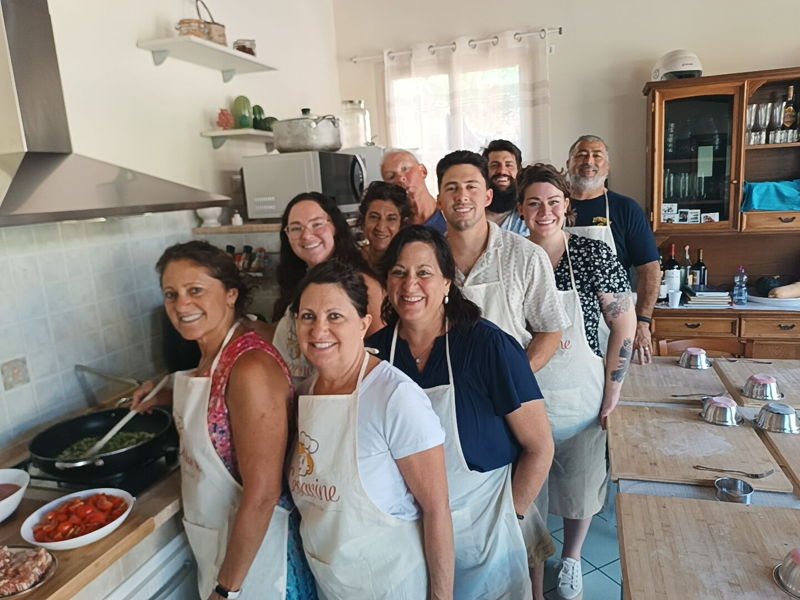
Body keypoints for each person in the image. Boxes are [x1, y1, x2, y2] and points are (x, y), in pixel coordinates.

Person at [368, 225, 555, 599]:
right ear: (387, 282)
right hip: (404, 534)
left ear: (447, 283)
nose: (410, 285)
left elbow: (540, 447)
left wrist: (509, 519)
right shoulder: (373, 355)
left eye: (424, 273)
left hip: (483, 531)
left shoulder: (488, 347)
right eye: (399, 273)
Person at [132, 241, 317, 600]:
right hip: (221, 542)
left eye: (195, 291)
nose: (181, 305)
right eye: (171, 294)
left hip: (260, 562)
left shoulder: (250, 368)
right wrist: (165, 390)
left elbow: (263, 494)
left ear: (231, 294)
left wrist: (226, 589)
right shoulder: (213, 356)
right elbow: (219, 403)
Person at [288, 260, 454, 600]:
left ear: (364, 324)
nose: (319, 330)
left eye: (335, 316)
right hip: (330, 580)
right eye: (308, 316)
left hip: (390, 584)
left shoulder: (394, 397)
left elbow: (437, 510)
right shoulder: (303, 394)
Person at [518, 164, 636, 600]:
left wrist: (614, 387)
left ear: (567, 207)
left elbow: (622, 323)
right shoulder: (515, 257)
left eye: (553, 201)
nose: (544, 210)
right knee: (528, 498)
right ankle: (531, 574)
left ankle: (570, 560)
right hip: (527, 398)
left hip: (582, 394)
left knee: (581, 487)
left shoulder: (591, 255)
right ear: (521, 210)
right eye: (534, 202)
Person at [435, 150, 570, 373]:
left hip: (509, 393)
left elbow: (550, 330)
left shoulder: (526, 255)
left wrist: (515, 378)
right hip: (446, 386)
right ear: (439, 201)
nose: (462, 196)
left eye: (471, 187)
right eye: (452, 188)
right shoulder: (429, 258)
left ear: (488, 197)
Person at [565, 135, 661, 365]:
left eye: (597, 155)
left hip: (612, 323)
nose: (589, 161)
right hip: (561, 320)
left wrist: (643, 321)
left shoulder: (625, 208)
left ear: (608, 166)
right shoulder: (554, 205)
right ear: (568, 163)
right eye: (581, 155)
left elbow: (650, 270)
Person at [272, 192, 384, 382]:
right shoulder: (297, 280)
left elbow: (382, 349)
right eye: (296, 228)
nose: (306, 235)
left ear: (334, 227)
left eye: (317, 224)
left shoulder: (363, 283)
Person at [381, 149, 447, 233]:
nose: (401, 179)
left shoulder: (449, 214)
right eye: (391, 176)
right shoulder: (395, 229)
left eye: (405, 169)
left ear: (423, 171)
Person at [357, 180, 412, 273]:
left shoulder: (411, 262)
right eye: (374, 217)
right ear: (363, 222)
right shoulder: (351, 261)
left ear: (402, 224)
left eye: (391, 219)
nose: (381, 227)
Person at [481, 139, 529, 235]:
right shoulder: (472, 213)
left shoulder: (527, 216)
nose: (502, 171)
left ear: (518, 171)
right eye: (494, 165)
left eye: (509, 165)